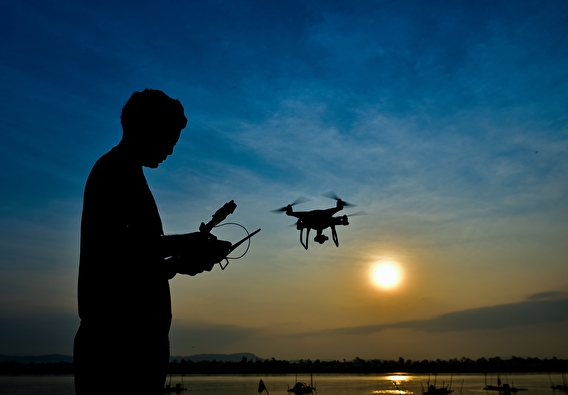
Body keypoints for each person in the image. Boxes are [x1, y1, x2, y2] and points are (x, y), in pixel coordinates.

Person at [73, 89, 231, 395]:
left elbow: (131, 265)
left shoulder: (129, 174)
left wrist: (179, 265)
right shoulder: (114, 172)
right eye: (168, 139)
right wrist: (188, 244)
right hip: (117, 348)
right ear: (145, 128)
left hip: (134, 345)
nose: (171, 149)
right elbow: (123, 251)